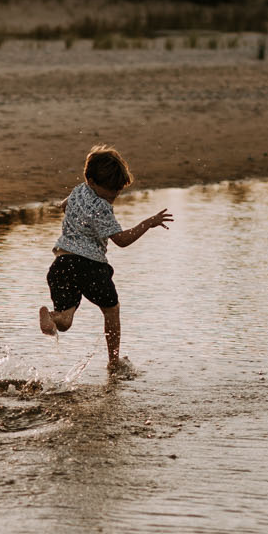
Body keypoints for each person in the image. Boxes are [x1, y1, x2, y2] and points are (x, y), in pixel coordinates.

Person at [38, 144, 171, 372]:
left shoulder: (78, 191)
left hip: (62, 263)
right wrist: (147, 223)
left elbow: (64, 206)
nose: (113, 195)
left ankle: (53, 319)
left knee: (66, 318)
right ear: (91, 181)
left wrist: (75, 217)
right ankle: (113, 361)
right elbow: (122, 240)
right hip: (92, 267)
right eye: (110, 190)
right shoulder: (102, 208)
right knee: (111, 310)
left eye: (117, 190)